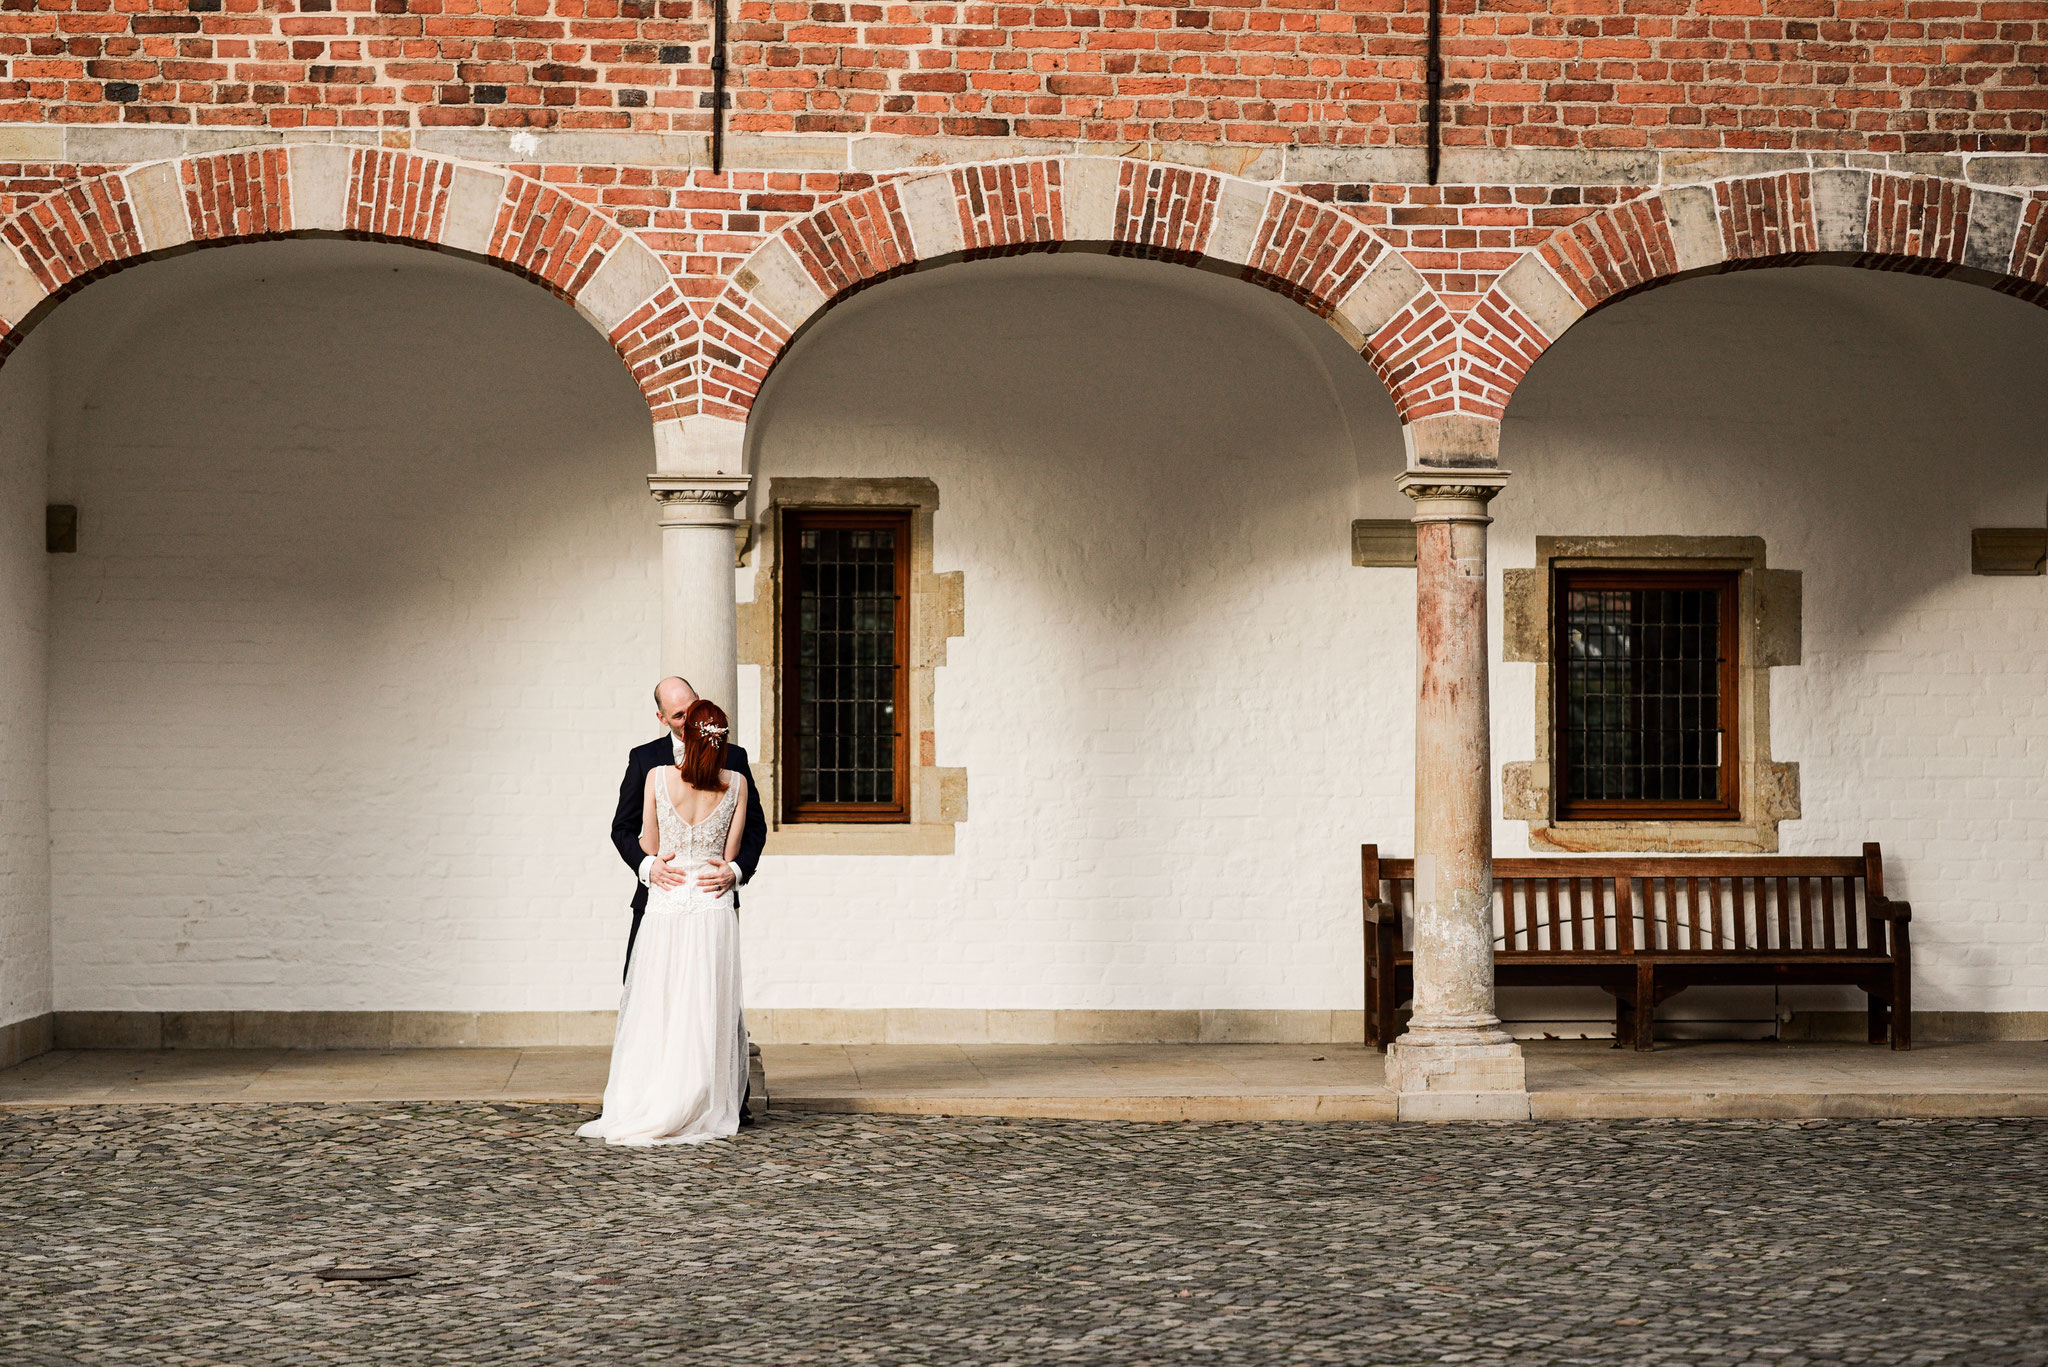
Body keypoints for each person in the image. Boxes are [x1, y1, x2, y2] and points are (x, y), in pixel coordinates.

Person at [579, 696, 753, 1146]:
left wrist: (660, 862)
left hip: (668, 901)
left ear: (685, 732)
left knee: (659, 1003)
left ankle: (649, 1098)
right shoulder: (735, 783)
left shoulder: (658, 777)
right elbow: (728, 852)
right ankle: (699, 1101)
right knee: (704, 1004)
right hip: (711, 904)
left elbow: (651, 842)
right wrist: (716, 867)